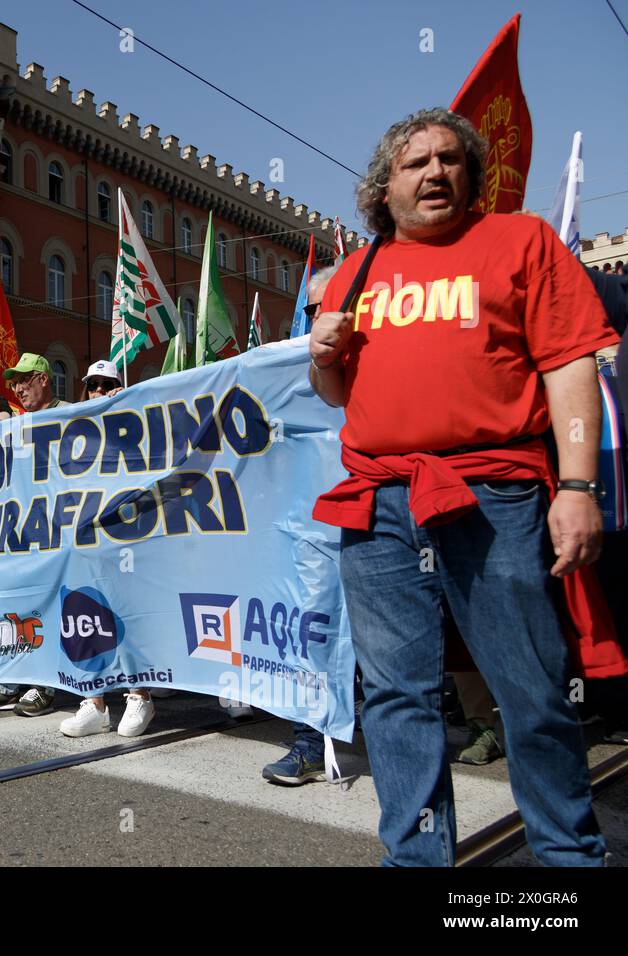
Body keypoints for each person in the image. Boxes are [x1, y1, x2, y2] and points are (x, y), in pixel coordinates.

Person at [308, 108, 617, 865]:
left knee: (531, 688)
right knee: (395, 697)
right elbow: (336, 395)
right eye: (416, 163)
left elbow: (570, 362)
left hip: (495, 494)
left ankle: (567, 856)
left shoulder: (521, 241)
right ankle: (417, 858)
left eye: (450, 159)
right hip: (377, 503)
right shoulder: (356, 271)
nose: (436, 171)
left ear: (473, 175)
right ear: (384, 186)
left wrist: (578, 484)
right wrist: (320, 355)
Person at [260, 265, 347, 784]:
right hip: (313, 528)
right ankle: (310, 741)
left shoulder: (383, 354)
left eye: (321, 308)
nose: (315, 319)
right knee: (313, 631)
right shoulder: (287, 369)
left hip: (384, 513)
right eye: (310, 311)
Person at [0, 353, 68, 718]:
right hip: (17, 533)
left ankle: (44, 683)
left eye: (24, 380)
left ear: (43, 379)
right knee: (10, 603)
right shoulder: (12, 425)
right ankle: (9, 681)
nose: (18, 388)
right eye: (14, 383)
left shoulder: (69, 413)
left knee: (50, 607)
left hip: (58, 531)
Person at [60, 359, 159, 737]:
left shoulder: (135, 423)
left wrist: (130, 404)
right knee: (86, 613)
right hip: (88, 536)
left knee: (128, 613)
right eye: (93, 386)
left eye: (107, 385)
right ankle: (95, 701)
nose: (99, 393)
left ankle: (140, 695)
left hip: (127, 536)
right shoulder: (72, 431)